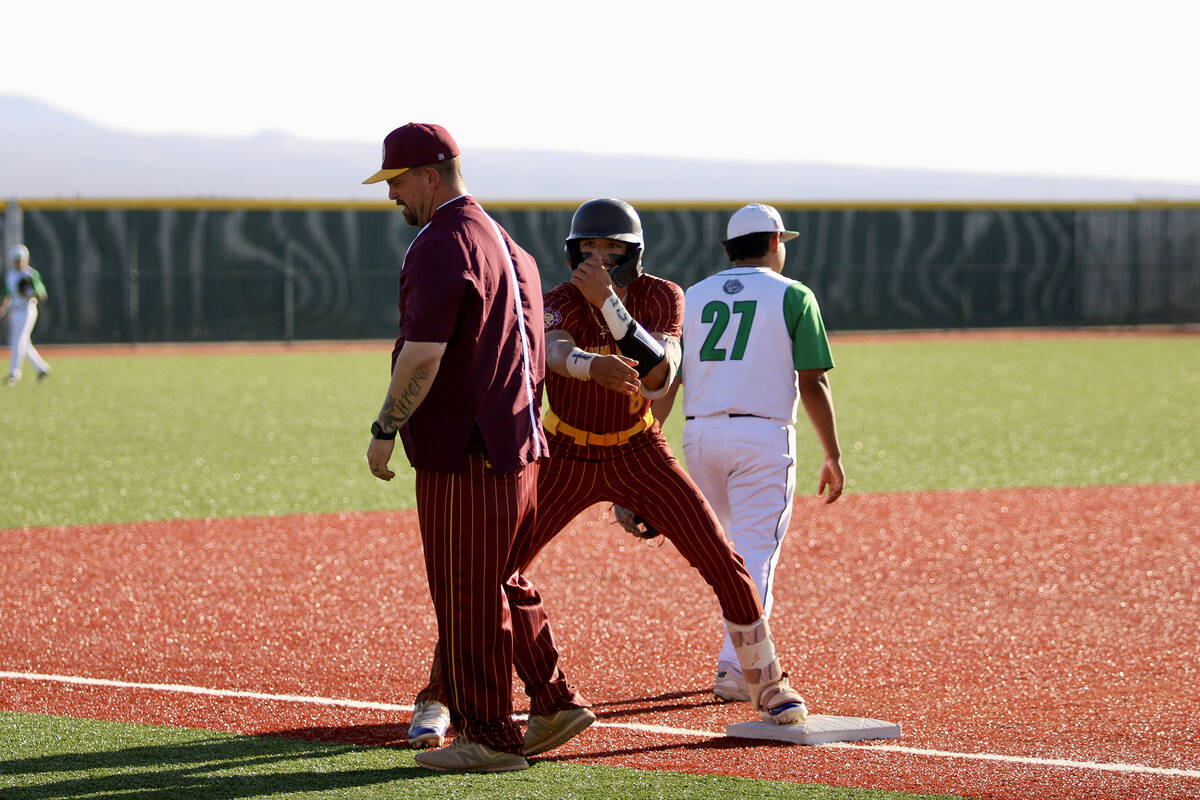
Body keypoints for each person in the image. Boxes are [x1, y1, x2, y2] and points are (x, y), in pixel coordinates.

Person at [409, 198, 811, 745]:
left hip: (637, 447)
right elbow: (552, 349)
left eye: (612, 249)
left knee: (721, 556)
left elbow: (661, 369)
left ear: (633, 254)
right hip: (566, 450)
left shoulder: (661, 294)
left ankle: (767, 681)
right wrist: (589, 364)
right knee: (490, 571)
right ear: (573, 251)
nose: (598, 259)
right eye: (589, 249)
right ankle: (440, 695)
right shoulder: (559, 299)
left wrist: (612, 309)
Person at [362, 122, 590, 773]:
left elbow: (424, 354)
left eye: (397, 181)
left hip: (466, 450)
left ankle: (488, 735)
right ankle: (553, 700)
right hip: (519, 445)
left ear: (431, 175)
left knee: (465, 593)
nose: (392, 196)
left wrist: (384, 430)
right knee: (502, 580)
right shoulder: (511, 246)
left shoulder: (442, 242)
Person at [654, 203, 844, 702]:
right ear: (774, 241)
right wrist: (833, 453)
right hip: (761, 437)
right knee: (755, 553)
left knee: (727, 554)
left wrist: (648, 436)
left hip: (701, 436)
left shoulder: (693, 296)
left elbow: (668, 376)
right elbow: (814, 379)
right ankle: (738, 666)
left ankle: (733, 660)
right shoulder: (793, 294)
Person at [2, 244, 52, 385]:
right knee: (23, 342)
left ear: (26, 259)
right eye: (15, 260)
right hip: (14, 311)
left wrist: (29, 293)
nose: (18, 262)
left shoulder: (30, 274)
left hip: (27, 310)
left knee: (18, 341)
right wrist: (3, 309)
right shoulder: (10, 276)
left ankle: (14, 373)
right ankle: (42, 368)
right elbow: (7, 295)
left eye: (20, 259)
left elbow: (42, 295)